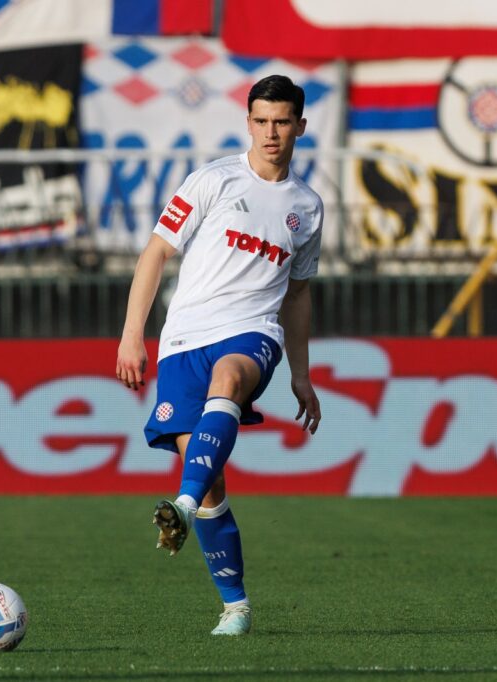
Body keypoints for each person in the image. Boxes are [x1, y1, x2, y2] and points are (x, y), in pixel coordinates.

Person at [115, 74, 323, 636]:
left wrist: (301, 374)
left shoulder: (307, 207)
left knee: (231, 376)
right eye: (261, 121)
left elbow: (298, 293)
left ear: (300, 126)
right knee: (212, 485)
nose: (271, 133)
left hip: (253, 332)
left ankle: (179, 507)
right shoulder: (212, 180)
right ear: (248, 123)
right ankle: (236, 607)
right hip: (183, 340)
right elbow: (156, 252)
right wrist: (133, 335)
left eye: (282, 122)